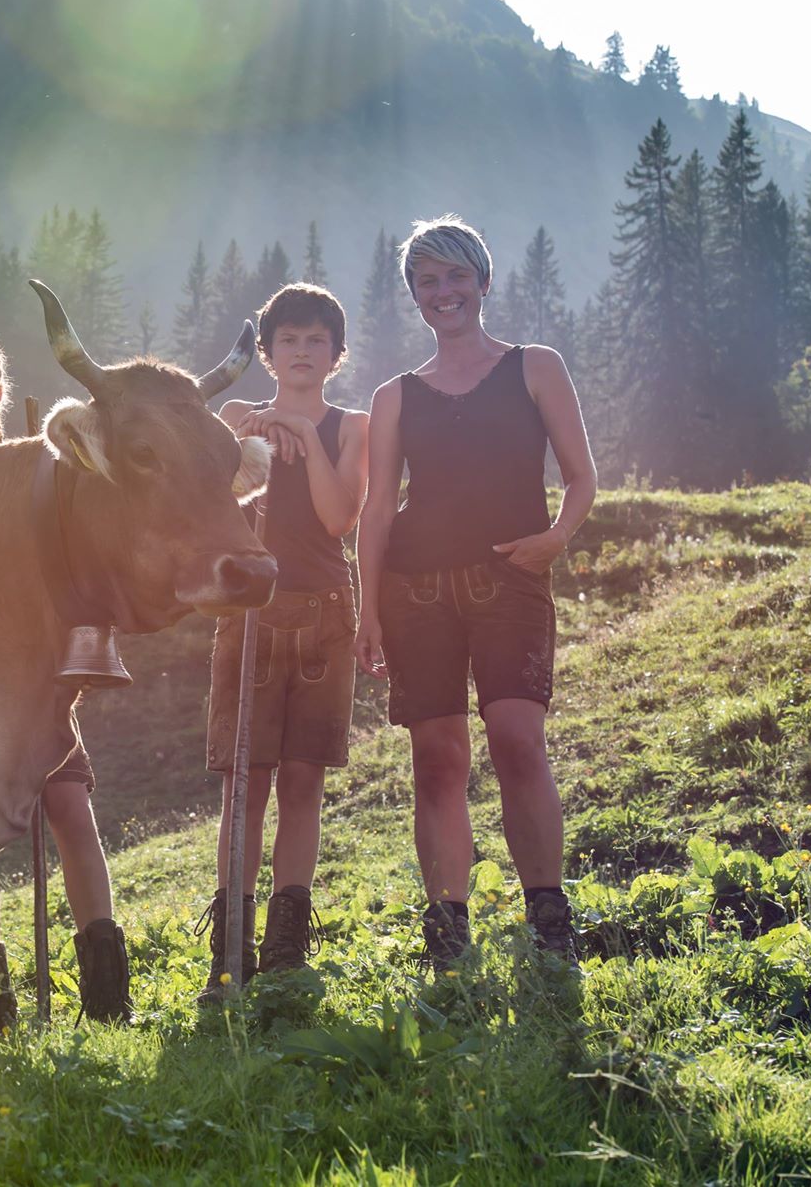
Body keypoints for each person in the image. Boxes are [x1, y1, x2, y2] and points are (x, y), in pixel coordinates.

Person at [353, 215, 597, 971]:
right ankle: (447, 928)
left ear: (484, 282)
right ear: (415, 298)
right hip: (414, 591)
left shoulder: (536, 366)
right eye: (427, 281)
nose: (443, 291)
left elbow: (582, 478)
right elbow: (374, 508)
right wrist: (366, 610)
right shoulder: (395, 395)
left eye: (457, 275)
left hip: (510, 584)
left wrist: (554, 540)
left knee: (519, 743)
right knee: (437, 758)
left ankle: (548, 914)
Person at [0, 332, 131, 1025]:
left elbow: (76, 560)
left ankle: (106, 992)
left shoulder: (40, 468)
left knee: (70, 806)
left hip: (36, 674)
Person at [202, 284, 370, 1000]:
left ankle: (286, 952)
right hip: (250, 618)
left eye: (316, 341)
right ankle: (229, 953)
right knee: (246, 784)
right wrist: (264, 439)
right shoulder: (237, 418)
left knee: (304, 782)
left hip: (325, 615)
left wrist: (304, 443)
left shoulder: (352, 426)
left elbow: (338, 519)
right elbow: (210, 503)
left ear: (336, 355)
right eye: (289, 340)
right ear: (266, 352)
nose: (302, 352)